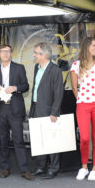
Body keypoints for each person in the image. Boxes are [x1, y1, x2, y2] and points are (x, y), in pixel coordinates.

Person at [0, 44, 33, 181]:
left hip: (14, 108)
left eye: (7, 51)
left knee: (18, 140)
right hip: (1, 109)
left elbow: (26, 86)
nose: (5, 54)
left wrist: (15, 87)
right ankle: (5, 168)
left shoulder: (19, 68)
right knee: (3, 140)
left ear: (11, 54)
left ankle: (25, 169)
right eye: (2, 51)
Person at [71, 37, 95, 181]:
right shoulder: (76, 64)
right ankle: (84, 166)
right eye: (93, 45)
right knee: (85, 138)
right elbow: (74, 86)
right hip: (83, 105)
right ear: (86, 46)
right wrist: (80, 98)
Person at [29, 42, 64, 179]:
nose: (34, 55)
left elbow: (58, 93)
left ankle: (54, 168)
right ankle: (41, 167)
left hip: (49, 110)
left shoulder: (55, 70)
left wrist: (54, 112)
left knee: (51, 140)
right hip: (37, 107)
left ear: (44, 55)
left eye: (36, 53)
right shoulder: (36, 67)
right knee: (39, 139)